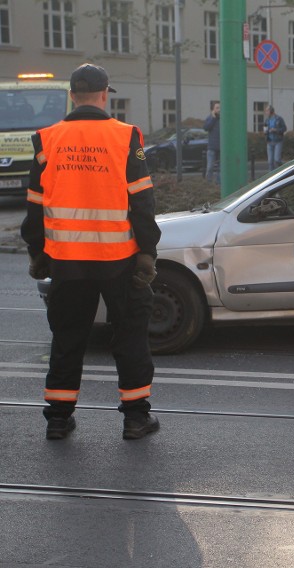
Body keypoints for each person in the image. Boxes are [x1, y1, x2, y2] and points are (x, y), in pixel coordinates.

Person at [20, 63, 162, 440]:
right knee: (130, 334)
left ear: (71, 96)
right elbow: (142, 201)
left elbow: (35, 203)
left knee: (67, 337)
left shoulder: (46, 139)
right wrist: (147, 251)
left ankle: (58, 419)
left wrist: (37, 250)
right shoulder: (125, 136)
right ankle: (135, 418)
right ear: (105, 94)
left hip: (67, 260)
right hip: (119, 260)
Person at [263, 104, 287, 170]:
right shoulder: (267, 120)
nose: (266, 112)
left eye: (267, 111)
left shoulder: (279, 119)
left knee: (277, 159)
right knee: (270, 161)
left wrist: (276, 130)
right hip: (269, 141)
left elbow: (284, 128)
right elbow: (265, 129)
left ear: (271, 111)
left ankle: (284, 169)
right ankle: (271, 177)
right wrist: (266, 131)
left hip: (278, 141)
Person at [203, 101, 220, 184]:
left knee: (220, 168)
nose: (219, 110)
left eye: (220, 108)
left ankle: (219, 183)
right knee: (210, 166)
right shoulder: (210, 118)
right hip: (212, 147)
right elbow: (206, 127)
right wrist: (213, 118)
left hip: (221, 147)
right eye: (217, 108)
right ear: (213, 110)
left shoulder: (223, 119)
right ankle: (209, 182)